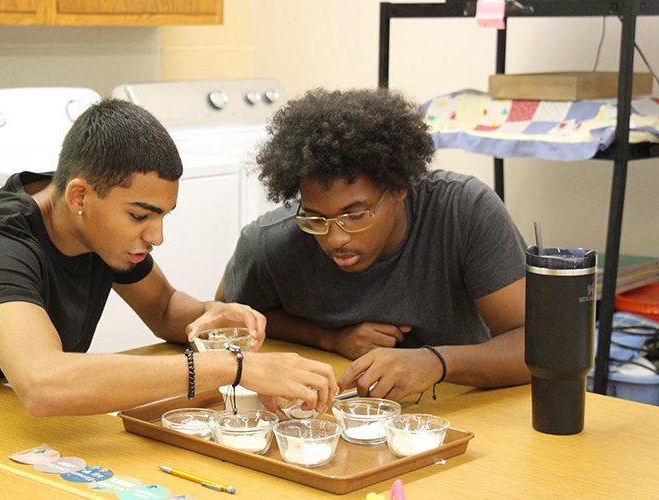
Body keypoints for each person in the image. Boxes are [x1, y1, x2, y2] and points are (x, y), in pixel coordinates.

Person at [0, 98, 338, 416]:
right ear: (79, 196)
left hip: (22, 432)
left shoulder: (96, 232)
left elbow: (165, 308)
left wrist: (212, 314)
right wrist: (232, 367)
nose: (157, 236)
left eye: (163, 216)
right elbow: (44, 383)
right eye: (139, 216)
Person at [217, 88, 530, 402]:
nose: (335, 239)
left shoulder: (464, 211)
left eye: (355, 215)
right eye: (316, 218)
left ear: (399, 189)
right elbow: (223, 320)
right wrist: (330, 338)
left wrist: (436, 361)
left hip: (468, 407)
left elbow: (537, 345)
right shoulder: (272, 241)